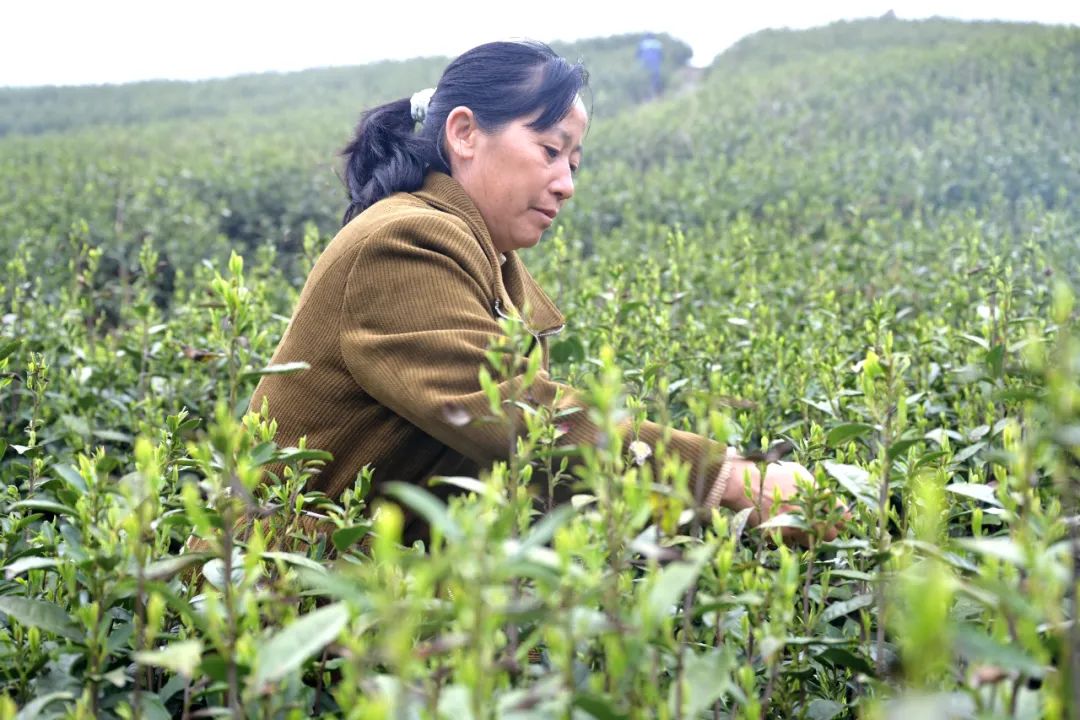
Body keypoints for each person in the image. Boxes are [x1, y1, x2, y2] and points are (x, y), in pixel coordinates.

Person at [250, 40, 838, 547]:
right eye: (550, 151)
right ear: (464, 133)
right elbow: (511, 413)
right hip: (286, 610)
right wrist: (724, 477)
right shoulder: (404, 240)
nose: (566, 184)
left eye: (574, 163)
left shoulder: (480, 251)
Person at [636, 33, 664, 98]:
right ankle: (656, 93)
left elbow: (637, 54)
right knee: (655, 79)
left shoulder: (643, 43)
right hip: (656, 64)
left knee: (645, 79)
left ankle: (646, 95)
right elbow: (661, 55)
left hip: (645, 64)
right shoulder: (657, 43)